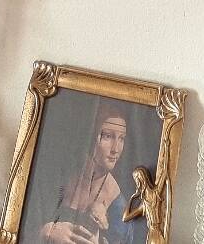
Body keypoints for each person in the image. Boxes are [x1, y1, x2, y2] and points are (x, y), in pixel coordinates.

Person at [39, 104, 133, 244]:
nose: (116, 149)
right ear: (90, 136)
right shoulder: (58, 173)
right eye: (107, 136)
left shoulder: (118, 207)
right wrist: (46, 231)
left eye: (121, 139)